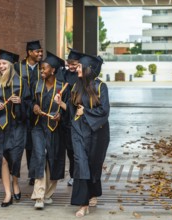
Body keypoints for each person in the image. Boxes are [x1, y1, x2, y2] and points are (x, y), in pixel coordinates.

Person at [54, 54, 110, 217]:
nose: (76, 68)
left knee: (93, 165)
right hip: (78, 131)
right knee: (81, 165)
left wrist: (86, 111)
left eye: (79, 67)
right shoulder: (76, 86)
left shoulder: (101, 87)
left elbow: (104, 111)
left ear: (88, 69)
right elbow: (72, 111)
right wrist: (61, 103)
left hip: (96, 134)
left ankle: (93, 193)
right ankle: (83, 203)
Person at [0, 49, 30, 207]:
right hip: (0, 126)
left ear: (11, 65)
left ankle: (16, 183)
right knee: (2, 159)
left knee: (15, 158)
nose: (1, 66)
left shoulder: (22, 82)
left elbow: (29, 104)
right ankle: (7, 193)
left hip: (17, 125)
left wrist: (20, 103)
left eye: (4, 63)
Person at [29, 51, 69, 209]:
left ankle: (48, 194)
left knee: (54, 159)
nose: (41, 71)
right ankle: (39, 196)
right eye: (40, 68)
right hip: (39, 126)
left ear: (53, 70)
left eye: (44, 68)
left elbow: (69, 109)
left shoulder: (63, 88)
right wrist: (34, 106)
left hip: (56, 128)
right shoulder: (36, 85)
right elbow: (29, 101)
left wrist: (61, 115)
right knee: (39, 157)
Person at [14, 40, 43, 186]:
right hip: (22, 109)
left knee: (34, 144)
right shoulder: (18, 67)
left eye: (40, 51)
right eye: (37, 51)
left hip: (37, 109)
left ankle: (33, 173)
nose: (40, 54)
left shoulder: (43, 67)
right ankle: (16, 175)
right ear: (29, 52)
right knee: (25, 143)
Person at [62, 48, 84, 186]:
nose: (71, 67)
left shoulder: (82, 76)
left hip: (78, 116)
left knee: (78, 149)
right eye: (69, 63)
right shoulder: (62, 74)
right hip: (65, 116)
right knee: (70, 150)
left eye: (74, 64)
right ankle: (72, 175)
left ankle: (79, 175)